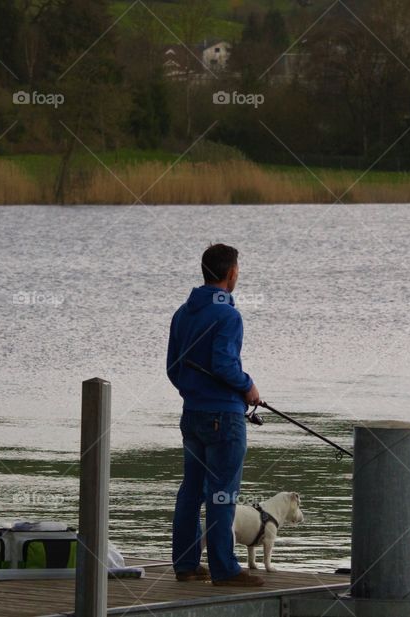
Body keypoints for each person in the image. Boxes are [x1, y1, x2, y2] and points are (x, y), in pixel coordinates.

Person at [166, 243, 263, 586]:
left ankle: (186, 564)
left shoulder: (183, 312)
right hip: (224, 417)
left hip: (192, 415)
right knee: (222, 494)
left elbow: (173, 369)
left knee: (191, 491)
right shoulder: (228, 315)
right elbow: (224, 364)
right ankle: (225, 570)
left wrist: (194, 392)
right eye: (238, 270)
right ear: (231, 272)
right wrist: (248, 386)